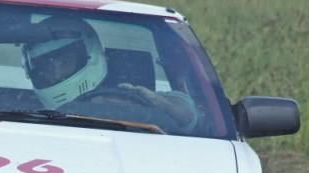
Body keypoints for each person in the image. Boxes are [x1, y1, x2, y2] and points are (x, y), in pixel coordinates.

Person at [21, 16, 197, 131]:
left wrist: (156, 103)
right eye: (46, 66)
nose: (56, 71)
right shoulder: (20, 112)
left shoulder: (136, 96)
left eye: (65, 61)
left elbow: (189, 116)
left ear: (91, 55)